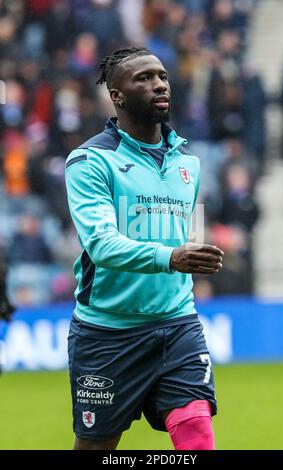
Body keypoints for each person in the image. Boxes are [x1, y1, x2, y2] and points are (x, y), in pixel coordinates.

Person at [65, 46, 224, 451]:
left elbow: (190, 233)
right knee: (97, 447)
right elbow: (101, 245)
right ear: (116, 95)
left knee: (197, 433)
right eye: (144, 78)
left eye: (163, 76)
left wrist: (194, 258)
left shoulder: (190, 163)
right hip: (107, 333)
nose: (159, 84)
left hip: (177, 323)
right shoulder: (89, 161)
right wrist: (171, 258)